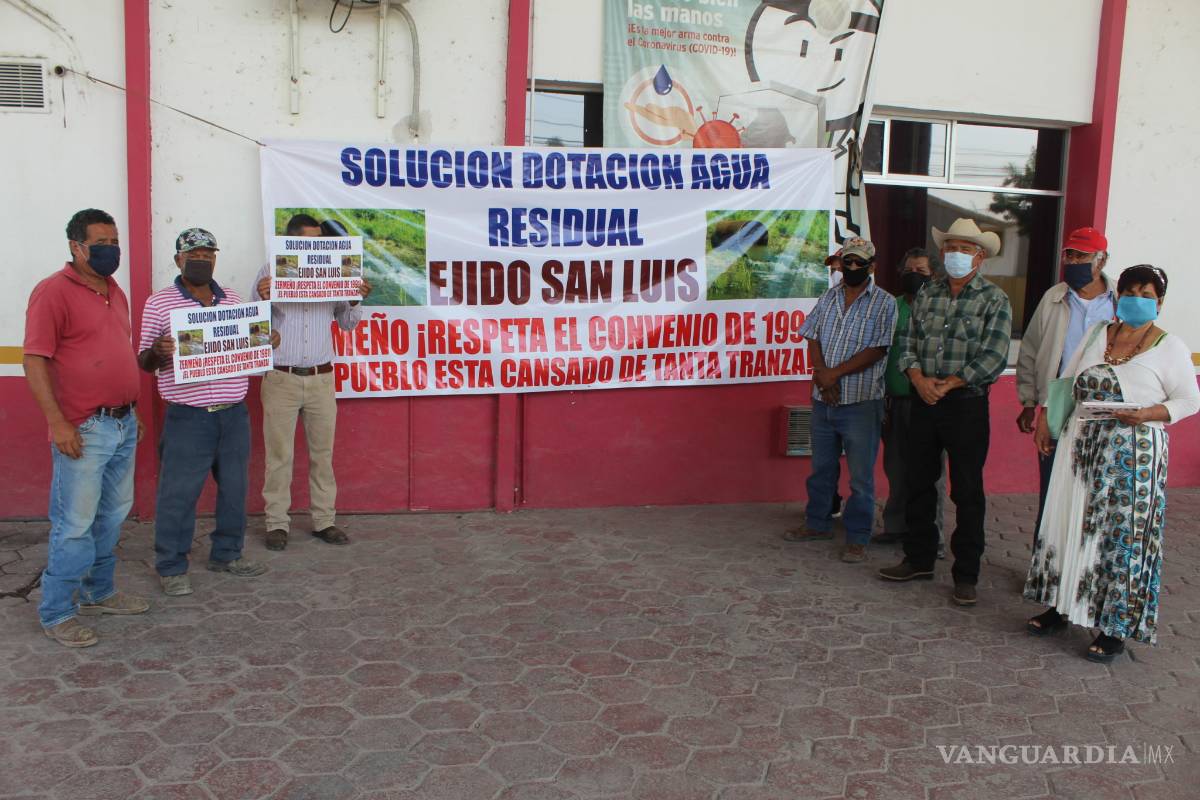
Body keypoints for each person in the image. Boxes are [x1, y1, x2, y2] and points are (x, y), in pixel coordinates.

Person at [1025, 265, 1198, 662]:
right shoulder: (1097, 332)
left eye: (1147, 294)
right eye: (1131, 291)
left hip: (1133, 456)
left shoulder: (1170, 346)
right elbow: (1067, 380)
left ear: (1160, 302)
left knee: (1119, 538)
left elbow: (1190, 400)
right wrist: (1046, 421)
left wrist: (1149, 412)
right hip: (1081, 446)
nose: (1137, 299)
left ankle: (1115, 628)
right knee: (1070, 525)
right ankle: (1061, 607)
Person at [23, 209, 149, 647]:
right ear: (76, 247)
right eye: (101, 243)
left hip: (123, 422)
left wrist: (134, 411)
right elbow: (35, 358)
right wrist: (58, 422)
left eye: (114, 241)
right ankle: (57, 611)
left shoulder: (115, 289)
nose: (111, 250)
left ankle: (100, 591)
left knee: (112, 516)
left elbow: (118, 353)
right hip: (84, 427)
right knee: (74, 523)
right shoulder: (52, 292)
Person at [878, 218, 1013, 606]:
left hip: (965, 404)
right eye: (951, 247)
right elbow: (907, 341)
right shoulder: (927, 293)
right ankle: (918, 558)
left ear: (980, 256)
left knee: (967, 490)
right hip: (924, 398)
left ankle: (965, 574)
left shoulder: (994, 299)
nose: (956, 254)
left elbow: (995, 355)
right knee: (919, 481)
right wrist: (919, 379)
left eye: (965, 248)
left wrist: (950, 383)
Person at [139, 228, 276, 596]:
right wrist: (159, 351)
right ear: (178, 259)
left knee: (234, 488)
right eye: (194, 254)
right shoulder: (160, 303)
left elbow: (249, 344)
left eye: (208, 254)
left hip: (233, 412)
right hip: (188, 416)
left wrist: (267, 340)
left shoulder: (232, 299)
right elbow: (143, 361)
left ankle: (228, 554)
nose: (202, 260)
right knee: (178, 494)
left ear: (216, 257)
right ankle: (171, 566)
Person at [253, 214, 372, 551]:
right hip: (281, 377)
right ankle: (277, 523)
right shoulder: (269, 271)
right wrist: (263, 298)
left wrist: (355, 298)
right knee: (279, 456)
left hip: (322, 377)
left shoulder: (335, 271)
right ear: (290, 241)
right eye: (307, 241)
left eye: (319, 241)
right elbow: (251, 327)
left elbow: (347, 324)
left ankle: (324, 520)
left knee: (323, 454)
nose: (315, 247)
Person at [784, 237, 896, 562]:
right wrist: (823, 374)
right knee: (821, 468)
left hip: (861, 402)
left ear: (872, 266)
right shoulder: (829, 296)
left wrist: (835, 375)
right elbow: (813, 336)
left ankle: (858, 536)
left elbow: (878, 349)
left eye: (859, 262)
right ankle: (817, 523)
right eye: (847, 261)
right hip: (823, 398)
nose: (852, 268)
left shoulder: (884, 303)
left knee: (861, 477)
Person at [1015, 227, 1115, 539]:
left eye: (1081, 256)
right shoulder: (1053, 298)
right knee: (1052, 487)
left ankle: (1082, 568)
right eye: (1069, 254)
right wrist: (1029, 402)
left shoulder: (1120, 301)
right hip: (1056, 405)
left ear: (1100, 261)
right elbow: (1030, 350)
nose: (1072, 261)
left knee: (1094, 489)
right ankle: (1043, 569)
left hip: (1104, 408)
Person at [875, 248, 947, 559]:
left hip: (928, 401)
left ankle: (933, 536)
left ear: (935, 276)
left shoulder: (942, 307)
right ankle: (896, 527)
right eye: (909, 270)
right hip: (894, 400)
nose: (913, 276)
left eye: (921, 270)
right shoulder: (891, 306)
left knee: (930, 473)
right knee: (895, 466)